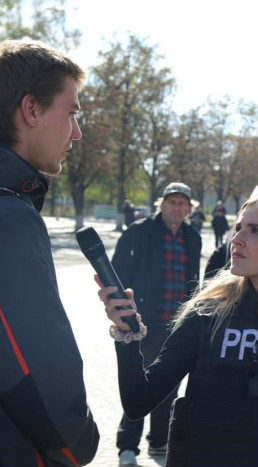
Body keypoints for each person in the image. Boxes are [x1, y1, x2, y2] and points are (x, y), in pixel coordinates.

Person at [98, 188, 258, 466]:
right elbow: (138, 401)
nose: (237, 240)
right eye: (238, 228)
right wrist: (127, 335)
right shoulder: (207, 315)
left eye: (254, 231)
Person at [0, 40, 99, 465]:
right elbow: (33, 375)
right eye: (71, 112)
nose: (77, 131)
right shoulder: (0, 217)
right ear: (30, 110)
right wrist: (80, 442)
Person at [111, 181, 201, 465]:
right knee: (138, 382)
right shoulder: (140, 232)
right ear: (161, 204)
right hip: (142, 322)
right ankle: (127, 447)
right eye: (171, 202)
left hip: (176, 325)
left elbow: (193, 281)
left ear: (189, 209)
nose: (176, 207)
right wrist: (124, 315)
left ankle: (159, 440)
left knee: (170, 386)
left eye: (182, 203)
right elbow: (116, 273)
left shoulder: (192, 237)